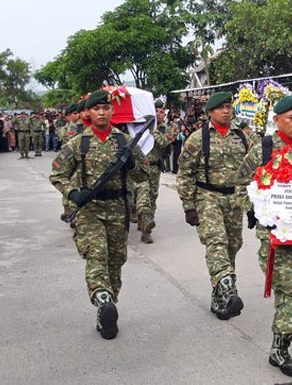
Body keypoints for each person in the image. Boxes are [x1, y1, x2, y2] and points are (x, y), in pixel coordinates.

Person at [234, 94, 292, 384]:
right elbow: (240, 186)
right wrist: (260, 208)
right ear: (277, 120)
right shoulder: (264, 149)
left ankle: (278, 351)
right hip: (274, 239)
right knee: (288, 291)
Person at [49, 90, 147, 339]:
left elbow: (143, 175)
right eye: (96, 109)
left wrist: (132, 165)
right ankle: (102, 299)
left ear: (112, 111)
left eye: (106, 108)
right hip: (89, 210)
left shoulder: (125, 142)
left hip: (117, 209)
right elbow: (57, 174)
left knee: (115, 261)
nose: (102, 113)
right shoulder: (78, 143)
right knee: (96, 254)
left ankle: (107, 307)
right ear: (88, 113)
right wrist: (73, 194)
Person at [176, 91, 250, 321]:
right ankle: (229, 291)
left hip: (235, 200)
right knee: (216, 242)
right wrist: (189, 205)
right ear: (210, 112)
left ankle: (219, 297)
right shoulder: (198, 138)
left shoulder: (244, 136)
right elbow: (185, 172)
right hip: (208, 197)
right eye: (221, 107)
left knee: (233, 245)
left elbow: (256, 166)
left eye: (229, 106)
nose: (226, 111)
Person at [136, 100, 176, 244]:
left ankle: (146, 228)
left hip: (155, 168)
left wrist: (154, 131)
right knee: (142, 195)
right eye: (157, 111)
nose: (159, 114)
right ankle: (142, 219)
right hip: (140, 167)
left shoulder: (166, 128)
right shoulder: (143, 126)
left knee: (152, 197)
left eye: (161, 111)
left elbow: (166, 142)